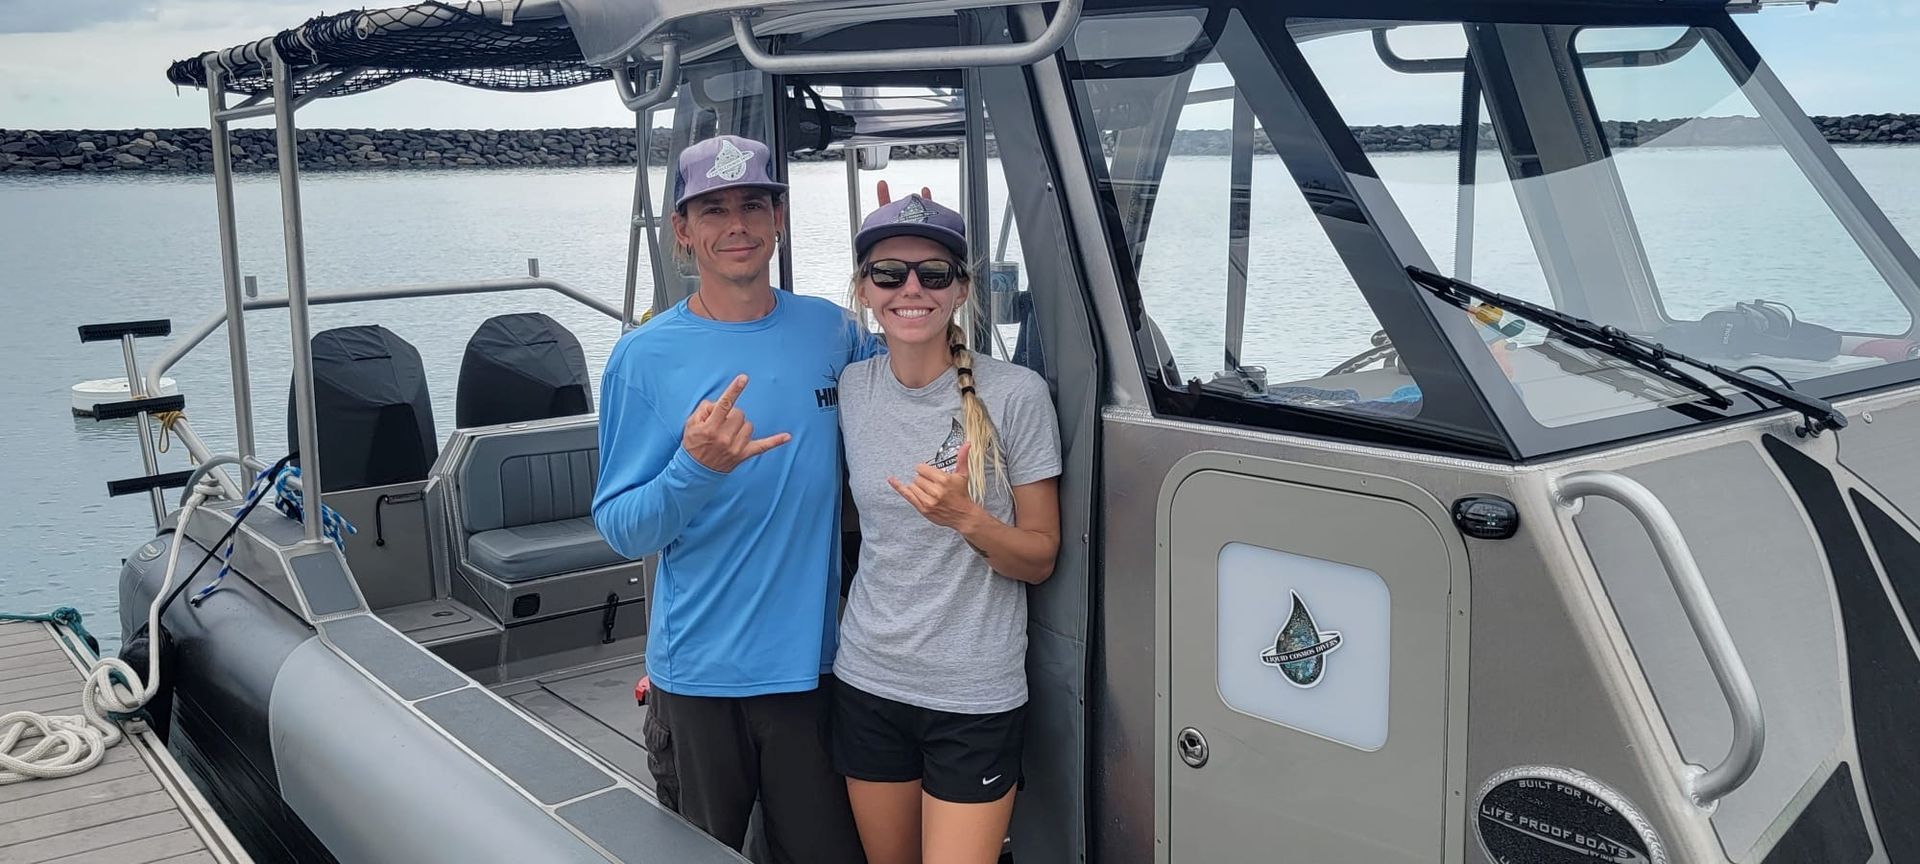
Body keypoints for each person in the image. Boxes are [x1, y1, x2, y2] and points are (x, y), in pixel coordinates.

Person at [592, 133, 873, 863]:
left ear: (780, 217)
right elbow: (621, 527)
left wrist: (917, 265)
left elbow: (919, 383)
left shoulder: (834, 330)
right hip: (698, 681)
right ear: (682, 232)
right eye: (713, 210)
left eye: (753, 204)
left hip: (815, 670)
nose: (737, 224)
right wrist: (695, 468)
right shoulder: (642, 358)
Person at [830, 193, 1064, 864]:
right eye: (889, 273)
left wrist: (966, 517)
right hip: (868, 680)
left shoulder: (1015, 395)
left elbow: (1039, 557)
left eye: (933, 274)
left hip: (973, 694)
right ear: (864, 290)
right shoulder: (852, 388)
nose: (911, 289)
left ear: (961, 290)